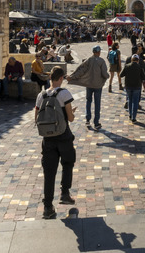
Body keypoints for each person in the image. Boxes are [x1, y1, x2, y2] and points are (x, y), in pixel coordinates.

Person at [36, 66, 76, 219]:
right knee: (68, 163)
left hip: (47, 140)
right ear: (60, 78)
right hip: (63, 136)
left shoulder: (41, 95)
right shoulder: (64, 93)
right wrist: (72, 113)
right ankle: (65, 193)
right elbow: (70, 118)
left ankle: (47, 207)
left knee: (49, 173)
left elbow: (36, 118)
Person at [67, 45, 108, 130]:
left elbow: (81, 70)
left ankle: (87, 120)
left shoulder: (88, 60)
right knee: (97, 103)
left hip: (89, 85)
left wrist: (72, 77)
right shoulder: (101, 61)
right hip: (97, 86)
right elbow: (104, 74)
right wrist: (107, 76)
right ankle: (96, 123)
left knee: (88, 101)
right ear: (98, 52)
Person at [121, 54, 145, 123]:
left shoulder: (127, 66)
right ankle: (133, 117)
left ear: (131, 60)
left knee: (129, 100)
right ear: (138, 60)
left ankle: (130, 114)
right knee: (135, 102)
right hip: (137, 86)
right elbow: (144, 77)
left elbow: (121, 75)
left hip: (128, 86)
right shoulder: (140, 67)